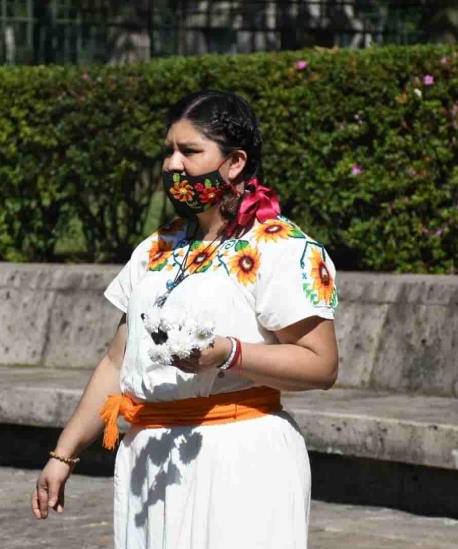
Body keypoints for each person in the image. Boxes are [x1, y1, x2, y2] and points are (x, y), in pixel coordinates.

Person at [32, 89, 339, 549]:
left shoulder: (281, 247)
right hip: (150, 465)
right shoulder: (156, 249)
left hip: (238, 459)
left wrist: (229, 353)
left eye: (190, 151)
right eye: (169, 151)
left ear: (234, 162)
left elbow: (321, 364)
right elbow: (117, 364)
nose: (172, 165)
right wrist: (64, 453)